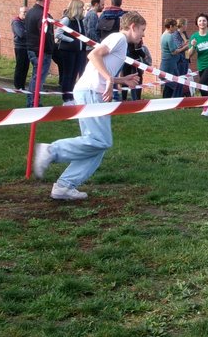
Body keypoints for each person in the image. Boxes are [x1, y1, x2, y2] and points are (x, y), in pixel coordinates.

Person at [31, 11, 146, 200]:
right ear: (132, 27)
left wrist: (120, 79)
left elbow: (99, 67)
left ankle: (64, 186)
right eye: (142, 30)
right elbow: (93, 55)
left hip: (91, 91)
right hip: (92, 92)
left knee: (97, 146)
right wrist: (110, 79)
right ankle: (52, 151)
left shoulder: (119, 41)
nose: (142, 34)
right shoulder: (119, 38)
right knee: (101, 141)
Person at [24, 0, 55, 107]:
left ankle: (32, 100)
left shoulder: (30, 12)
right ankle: (33, 102)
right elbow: (45, 34)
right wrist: (51, 47)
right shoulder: (43, 15)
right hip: (41, 50)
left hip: (32, 48)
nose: (50, 1)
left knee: (35, 76)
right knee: (38, 78)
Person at [54, 0, 86, 104]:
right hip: (68, 51)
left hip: (78, 51)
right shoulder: (67, 20)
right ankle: (66, 97)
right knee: (68, 74)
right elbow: (58, 33)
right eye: (81, 7)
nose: (83, 9)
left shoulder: (80, 20)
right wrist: (71, 40)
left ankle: (71, 96)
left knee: (74, 74)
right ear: (76, 8)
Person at [12, 5, 29, 90]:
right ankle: (17, 85)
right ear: (20, 12)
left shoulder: (27, 22)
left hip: (27, 47)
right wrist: (30, 33)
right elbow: (21, 34)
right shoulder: (16, 22)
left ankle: (22, 85)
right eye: (24, 12)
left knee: (26, 67)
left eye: (27, 12)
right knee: (20, 66)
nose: (25, 14)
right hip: (20, 47)